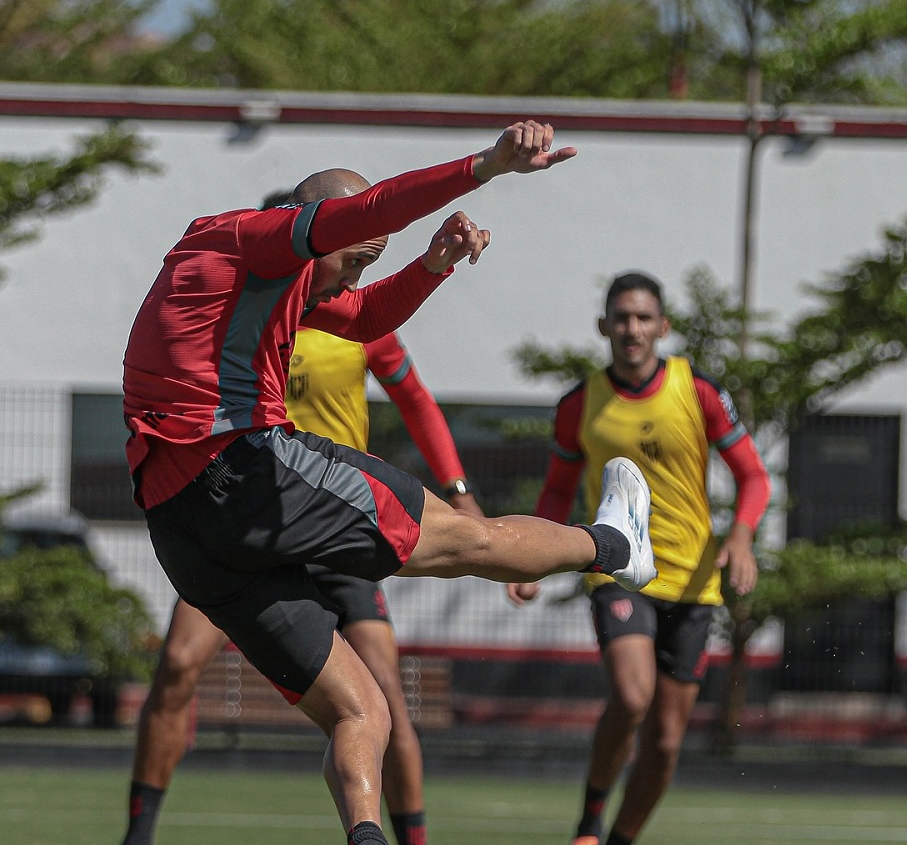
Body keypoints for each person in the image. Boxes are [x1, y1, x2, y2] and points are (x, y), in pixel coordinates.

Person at [121, 122, 655, 845]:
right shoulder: (264, 242)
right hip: (242, 471)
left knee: (364, 710)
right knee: (470, 539)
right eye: (357, 258)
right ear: (315, 228)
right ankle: (614, 542)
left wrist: (432, 266)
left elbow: (370, 317)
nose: (358, 275)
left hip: (181, 528)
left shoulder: (252, 276)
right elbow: (372, 212)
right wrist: (487, 165)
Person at [121, 308, 482, 845]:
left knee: (385, 694)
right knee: (177, 662)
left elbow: (415, 399)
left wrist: (459, 493)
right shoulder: (241, 318)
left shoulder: (364, 320)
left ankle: (412, 838)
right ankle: (138, 835)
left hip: (334, 527)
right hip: (251, 527)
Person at [506, 271, 770, 845]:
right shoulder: (580, 404)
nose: (632, 328)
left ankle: (620, 840)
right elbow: (556, 492)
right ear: (603, 326)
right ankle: (589, 825)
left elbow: (752, 476)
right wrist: (532, 560)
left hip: (694, 581)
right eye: (621, 317)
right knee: (631, 697)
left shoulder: (697, 391)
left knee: (667, 741)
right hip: (618, 571)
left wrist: (742, 537)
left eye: (644, 317)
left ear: (663, 327)